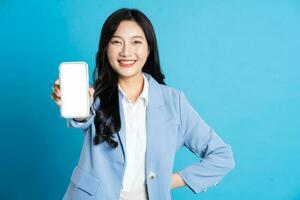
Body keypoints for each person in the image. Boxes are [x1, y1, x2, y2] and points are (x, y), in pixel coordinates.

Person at [51, 8, 235, 200]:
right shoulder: (93, 95)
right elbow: (82, 117)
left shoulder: (174, 102)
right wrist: (75, 106)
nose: (126, 52)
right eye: (116, 42)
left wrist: (168, 180)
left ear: (149, 49)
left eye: (136, 42)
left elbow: (222, 157)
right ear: (106, 49)